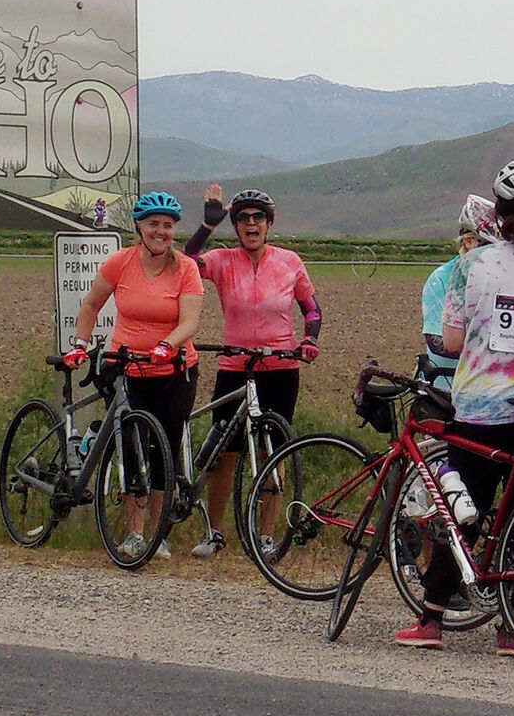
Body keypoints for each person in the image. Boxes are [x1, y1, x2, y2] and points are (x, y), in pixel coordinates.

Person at [393, 160, 514, 656]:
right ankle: (513, 628)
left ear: (497, 215)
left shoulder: (468, 267)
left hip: (483, 405)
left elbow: (452, 342)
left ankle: (432, 619)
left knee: (461, 509)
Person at [180, 184, 321, 558]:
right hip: (235, 367)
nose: (251, 223)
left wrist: (309, 340)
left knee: (272, 449)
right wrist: (207, 227)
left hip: (280, 367)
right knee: (225, 452)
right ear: (236, 225)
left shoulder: (289, 261)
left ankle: (266, 534)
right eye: (243, 218)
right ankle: (214, 532)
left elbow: (312, 309)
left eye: (258, 217)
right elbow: (184, 262)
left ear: (269, 224)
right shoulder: (222, 260)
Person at [63, 190, 203, 560]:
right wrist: (80, 342)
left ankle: (158, 536)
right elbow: (91, 304)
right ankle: (134, 534)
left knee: (165, 454)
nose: (161, 231)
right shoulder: (120, 262)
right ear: (139, 227)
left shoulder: (185, 268)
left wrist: (167, 345)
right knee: (131, 448)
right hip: (127, 366)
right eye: (153, 224)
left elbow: (189, 320)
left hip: (174, 369)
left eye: (168, 226)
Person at [419, 194, 499, 392]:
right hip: (446, 386)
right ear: (469, 242)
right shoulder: (441, 278)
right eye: (490, 247)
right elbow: (436, 341)